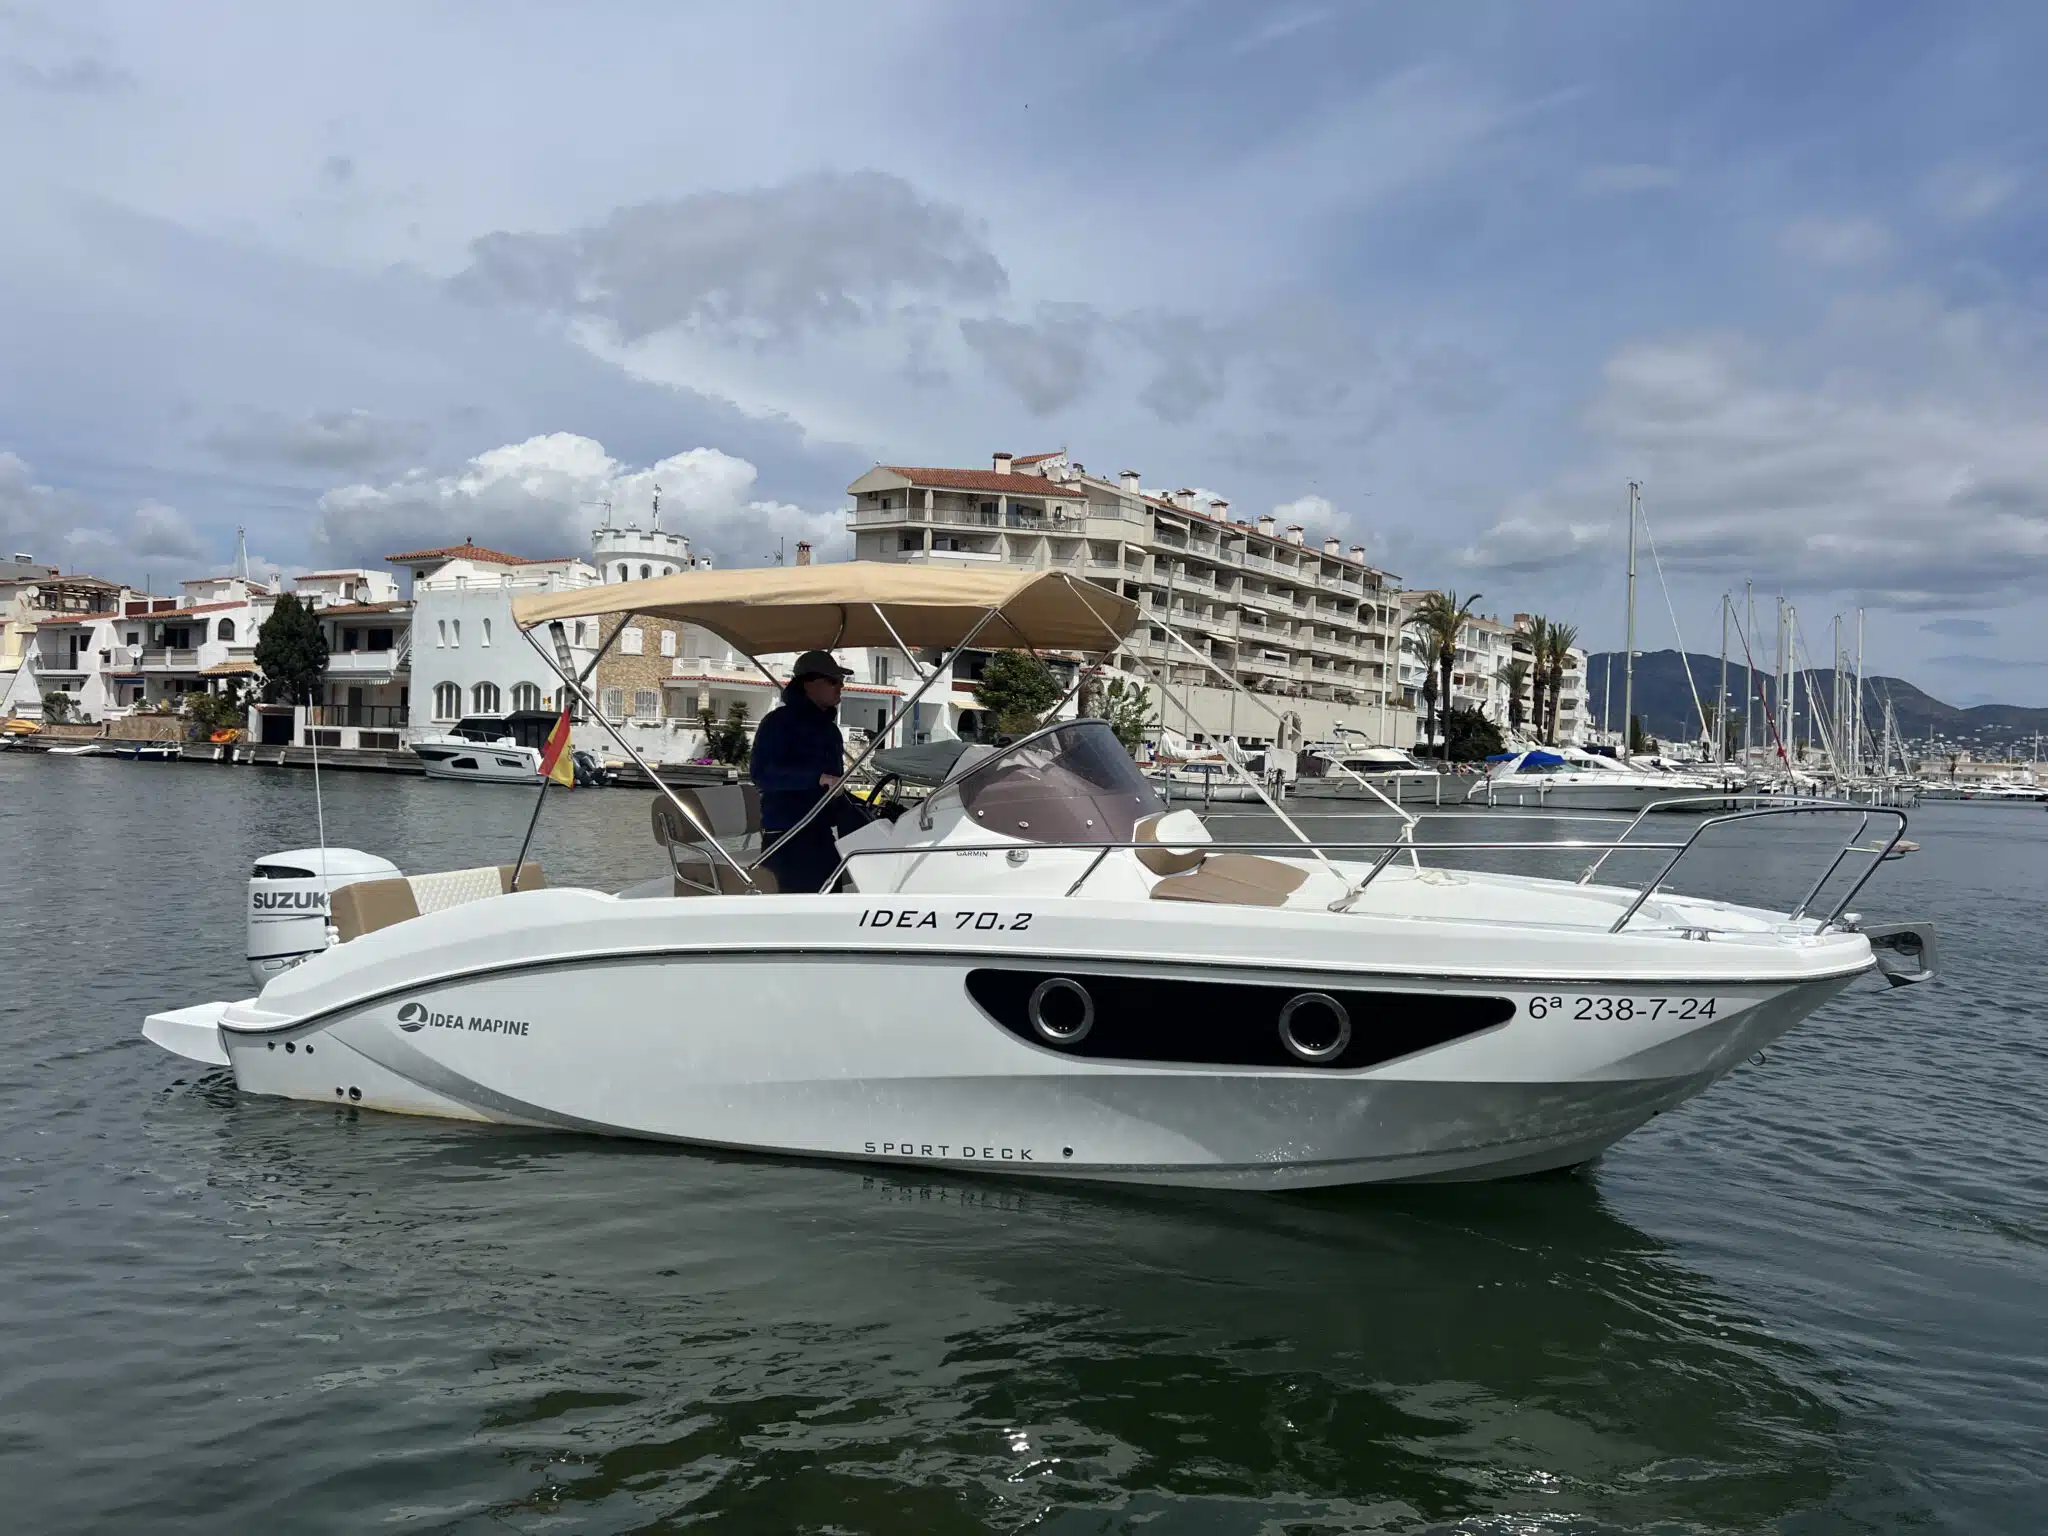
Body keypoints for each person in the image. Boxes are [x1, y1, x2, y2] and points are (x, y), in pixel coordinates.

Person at [749, 650, 868, 892]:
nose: (841, 687)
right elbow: (762, 774)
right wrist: (817, 779)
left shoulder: (830, 731)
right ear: (809, 684)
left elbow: (833, 787)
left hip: (821, 835)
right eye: (833, 681)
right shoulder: (777, 722)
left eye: (842, 681)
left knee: (832, 902)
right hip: (786, 838)